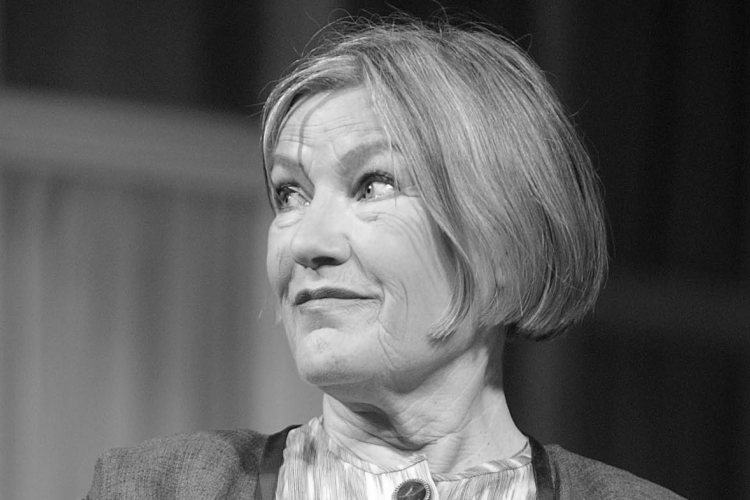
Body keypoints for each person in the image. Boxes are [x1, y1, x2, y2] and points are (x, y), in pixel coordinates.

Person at [85, 16, 685, 500]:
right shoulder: (157, 488)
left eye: (373, 185)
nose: (306, 242)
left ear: (504, 245)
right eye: (290, 194)